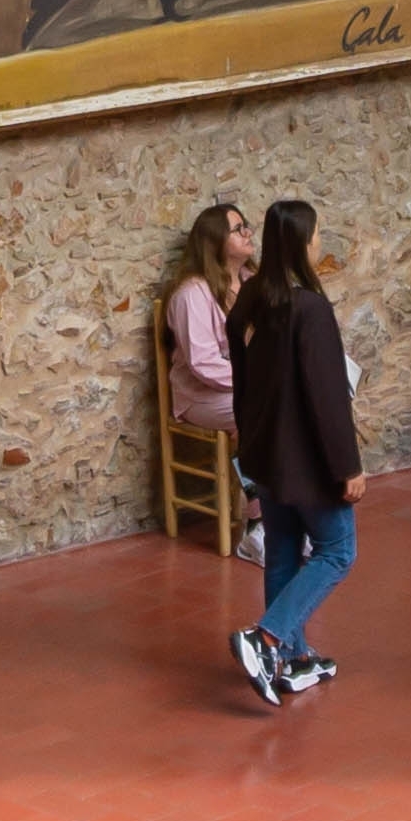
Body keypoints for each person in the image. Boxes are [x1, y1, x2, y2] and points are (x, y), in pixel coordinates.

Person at [224, 198, 359, 706]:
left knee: (282, 548)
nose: (321, 241)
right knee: (337, 552)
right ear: (303, 243)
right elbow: (327, 396)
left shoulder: (254, 295)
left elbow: (238, 364)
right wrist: (348, 467)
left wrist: (247, 430)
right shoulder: (311, 308)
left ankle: (292, 660)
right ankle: (267, 637)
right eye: (318, 233)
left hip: (265, 450)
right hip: (308, 458)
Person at [163, 202, 251, 556]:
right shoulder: (191, 295)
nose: (248, 233)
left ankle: (290, 513)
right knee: (264, 411)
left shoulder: (253, 282)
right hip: (202, 396)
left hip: (248, 388)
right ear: (214, 241)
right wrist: (258, 379)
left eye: (247, 225)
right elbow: (203, 363)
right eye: (238, 228)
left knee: (301, 403)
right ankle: (261, 522)